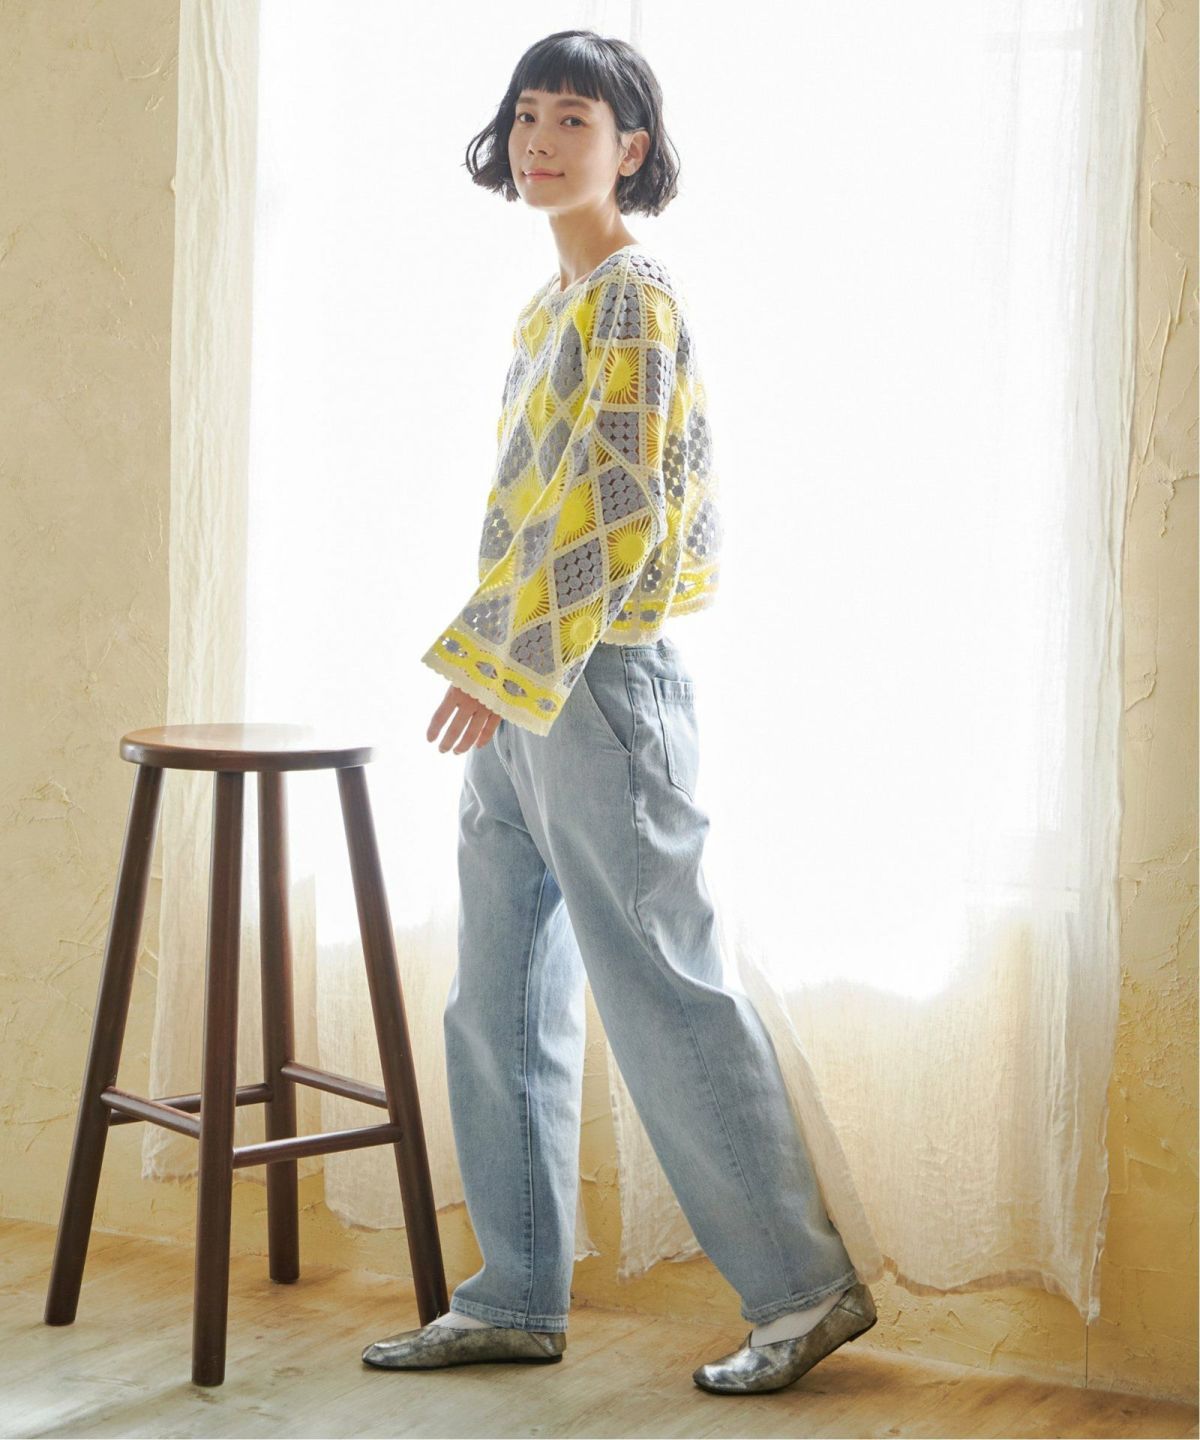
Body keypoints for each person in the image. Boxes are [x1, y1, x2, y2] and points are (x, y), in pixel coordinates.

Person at [361, 28, 876, 1395]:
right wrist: (498, 659)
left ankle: (803, 1289)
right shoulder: (553, 305)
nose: (540, 142)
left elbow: (619, 504)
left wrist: (499, 656)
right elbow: (538, 508)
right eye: (526, 116)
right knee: (496, 996)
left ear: (629, 147)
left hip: (597, 685)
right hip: (523, 688)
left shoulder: (634, 297)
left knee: (661, 986)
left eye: (572, 120)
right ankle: (514, 1294)